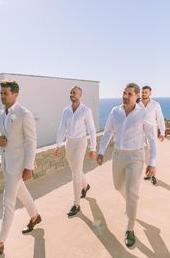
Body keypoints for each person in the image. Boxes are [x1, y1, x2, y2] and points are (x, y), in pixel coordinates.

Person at [0, 80, 41, 256]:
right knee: (21, 192)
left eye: (5, 93)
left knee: (8, 202)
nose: (2, 96)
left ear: (15, 95)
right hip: (6, 163)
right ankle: (35, 216)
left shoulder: (25, 114)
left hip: (19, 164)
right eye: (1, 93)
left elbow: (31, 142)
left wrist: (29, 167)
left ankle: (0, 243)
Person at [97, 83, 157, 248]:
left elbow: (152, 138)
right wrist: (101, 151)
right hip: (118, 155)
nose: (125, 96)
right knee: (118, 186)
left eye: (129, 94)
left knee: (131, 192)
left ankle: (129, 229)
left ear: (137, 96)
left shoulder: (143, 113)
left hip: (136, 156)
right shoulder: (115, 111)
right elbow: (108, 131)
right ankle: (132, 202)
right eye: (124, 93)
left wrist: (152, 162)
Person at [55, 86, 97, 216]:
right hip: (69, 142)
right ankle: (86, 186)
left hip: (80, 142)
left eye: (74, 92)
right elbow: (62, 128)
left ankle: (76, 204)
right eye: (71, 92)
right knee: (75, 169)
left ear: (80, 95)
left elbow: (92, 130)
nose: (72, 94)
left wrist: (93, 148)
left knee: (75, 173)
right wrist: (58, 145)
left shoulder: (86, 111)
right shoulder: (66, 111)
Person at [140, 86, 165, 184]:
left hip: (152, 133)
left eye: (146, 92)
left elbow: (160, 119)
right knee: (144, 154)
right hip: (140, 133)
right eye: (143, 92)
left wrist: (162, 132)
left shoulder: (155, 104)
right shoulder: (137, 104)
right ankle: (149, 172)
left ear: (150, 93)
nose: (144, 94)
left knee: (152, 153)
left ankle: (153, 174)